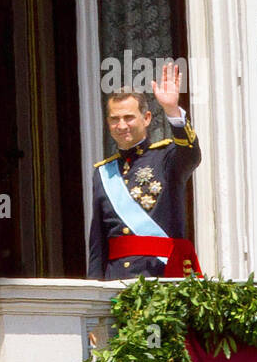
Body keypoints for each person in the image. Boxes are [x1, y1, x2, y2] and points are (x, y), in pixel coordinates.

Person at [87, 61, 202, 279]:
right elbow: (98, 244)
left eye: (129, 117)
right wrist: (95, 287)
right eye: (115, 119)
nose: (122, 126)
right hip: (117, 280)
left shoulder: (167, 158)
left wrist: (172, 110)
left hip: (162, 275)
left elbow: (191, 153)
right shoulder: (103, 173)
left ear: (146, 118)